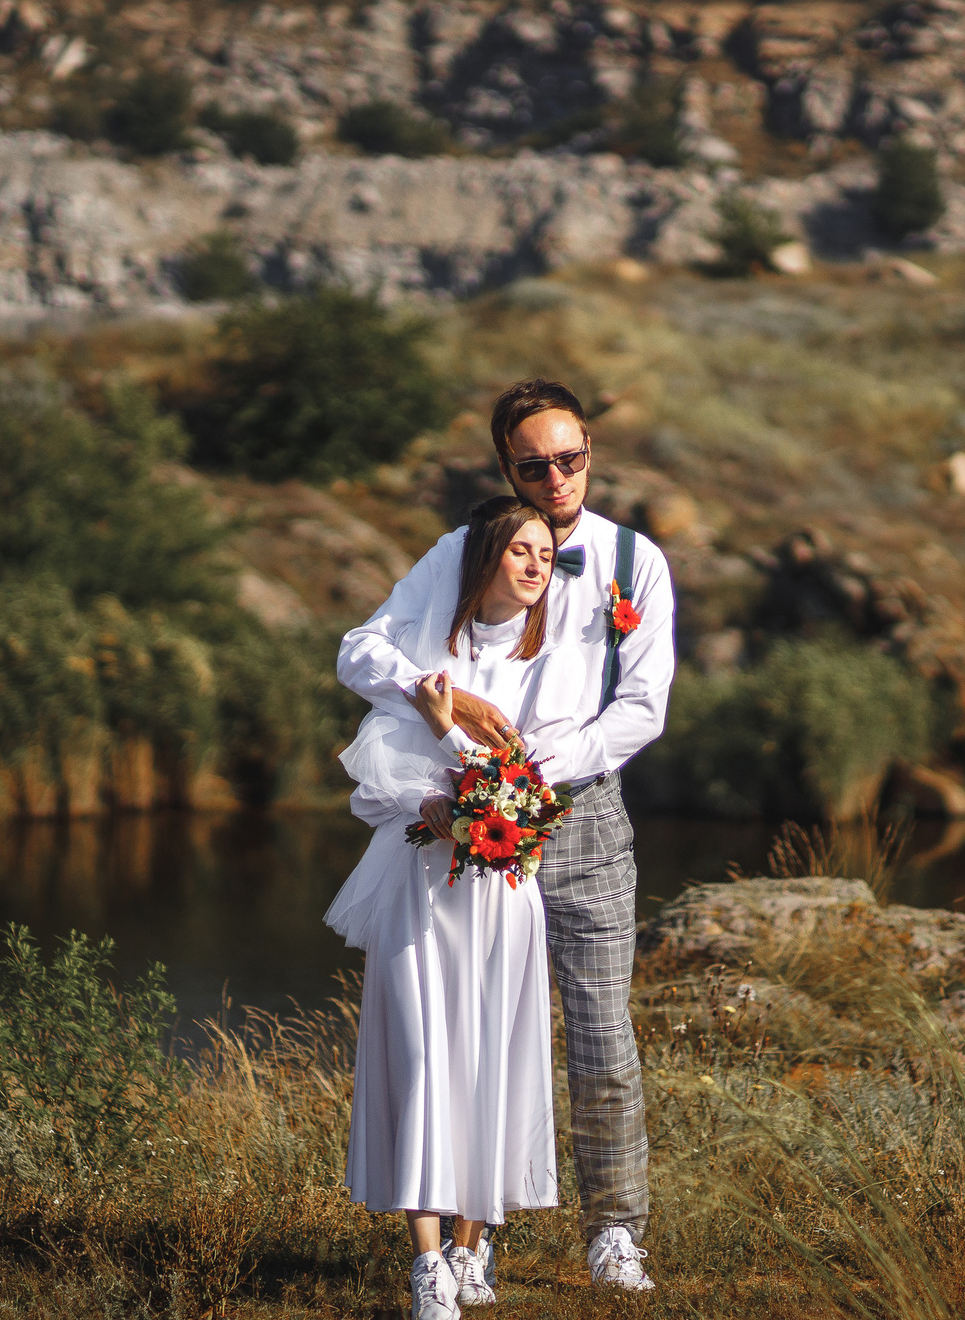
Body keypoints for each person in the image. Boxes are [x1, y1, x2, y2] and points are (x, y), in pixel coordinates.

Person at [340, 379, 677, 1296]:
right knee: (473, 1033)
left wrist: (537, 766)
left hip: (582, 815)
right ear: (506, 467)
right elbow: (360, 649)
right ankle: (467, 1242)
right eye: (535, 465)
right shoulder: (463, 550)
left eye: (571, 459)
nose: (557, 476)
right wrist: (437, 697)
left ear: (590, 454)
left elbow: (642, 708)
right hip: (466, 826)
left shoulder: (634, 561)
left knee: (603, 1037)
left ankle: (615, 1231)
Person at [327, 496, 578, 1320]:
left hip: (502, 891)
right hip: (424, 887)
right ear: (486, 560)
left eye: (546, 551)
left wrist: (447, 735)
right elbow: (379, 763)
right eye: (521, 549)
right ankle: (428, 1262)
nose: (537, 563)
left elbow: (530, 784)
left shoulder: (553, 661)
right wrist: (441, 730)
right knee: (423, 1051)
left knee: (490, 1062)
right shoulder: (431, 649)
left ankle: (475, 1245)